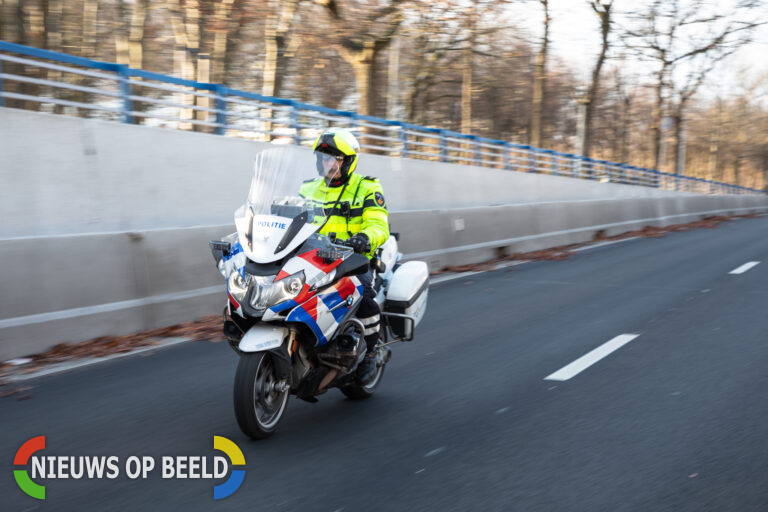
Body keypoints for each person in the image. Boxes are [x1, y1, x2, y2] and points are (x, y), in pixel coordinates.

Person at [299, 128, 389, 383]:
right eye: (324, 158)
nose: (327, 164)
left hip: (354, 258)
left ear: (348, 161)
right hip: (314, 257)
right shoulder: (308, 189)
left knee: (363, 296)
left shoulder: (366, 187)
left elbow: (379, 225)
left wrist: (364, 238)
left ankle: (371, 352)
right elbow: (288, 219)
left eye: (334, 159)